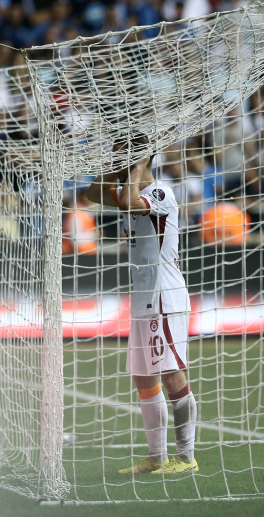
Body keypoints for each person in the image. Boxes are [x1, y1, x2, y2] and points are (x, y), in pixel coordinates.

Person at [84, 132, 197, 475]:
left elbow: (130, 200)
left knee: (171, 376)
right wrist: (113, 164)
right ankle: (156, 455)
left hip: (165, 298)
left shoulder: (159, 193)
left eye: (123, 156)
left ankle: (186, 457)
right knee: (144, 379)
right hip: (143, 301)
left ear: (142, 159)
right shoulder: (125, 191)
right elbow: (90, 195)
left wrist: (136, 165)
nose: (119, 164)